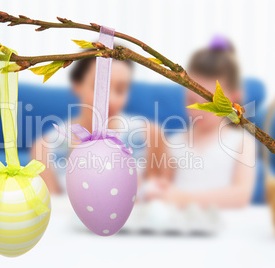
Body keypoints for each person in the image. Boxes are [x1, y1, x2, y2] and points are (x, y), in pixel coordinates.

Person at [31, 47, 169, 194]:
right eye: (100, 88)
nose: (110, 100)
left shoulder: (150, 135)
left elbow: (159, 202)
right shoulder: (44, 148)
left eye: (120, 90)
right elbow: (53, 210)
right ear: (77, 86)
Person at [146, 36, 256, 209]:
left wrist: (183, 198)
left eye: (208, 102)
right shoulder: (174, 142)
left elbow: (240, 196)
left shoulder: (242, 142)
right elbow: (164, 188)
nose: (197, 110)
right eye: (191, 99)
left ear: (233, 101)